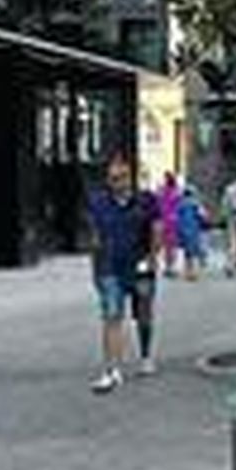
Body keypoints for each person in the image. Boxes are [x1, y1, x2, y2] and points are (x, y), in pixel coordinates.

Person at [86, 153, 163, 393]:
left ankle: (146, 354)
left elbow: (156, 230)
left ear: (131, 177)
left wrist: (152, 259)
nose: (116, 183)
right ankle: (112, 370)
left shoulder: (146, 201)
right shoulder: (99, 203)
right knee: (112, 316)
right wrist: (96, 272)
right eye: (112, 178)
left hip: (139, 266)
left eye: (121, 177)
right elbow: (95, 239)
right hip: (110, 267)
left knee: (143, 315)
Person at [176, 185, 208, 280]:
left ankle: (187, 272)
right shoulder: (196, 204)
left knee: (187, 253)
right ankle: (193, 273)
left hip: (183, 230)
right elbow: (202, 215)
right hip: (194, 230)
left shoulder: (180, 204)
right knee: (194, 252)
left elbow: (177, 217)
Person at [157, 171, 182, 277]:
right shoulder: (176, 192)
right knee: (172, 246)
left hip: (164, 220)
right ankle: (171, 267)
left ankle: (168, 267)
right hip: (173, 220)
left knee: (167, 246)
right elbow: (179, 206)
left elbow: (158, 203)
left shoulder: (162, 192)